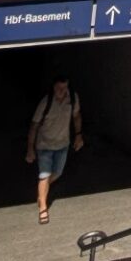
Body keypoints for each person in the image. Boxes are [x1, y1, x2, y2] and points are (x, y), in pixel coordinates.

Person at [26, 77, 83, 223]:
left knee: (57, 173)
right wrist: (30, 149)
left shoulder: (72, 98)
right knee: (44, 175)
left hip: (62, 144)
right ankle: (43, 207)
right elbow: (34, 125)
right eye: (59, 88)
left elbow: (76, 116)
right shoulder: (46, 102)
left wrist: (78, 135)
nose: (62, 91)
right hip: (44, 146)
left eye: (64, 88)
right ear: (53, 87)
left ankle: (42, 191)